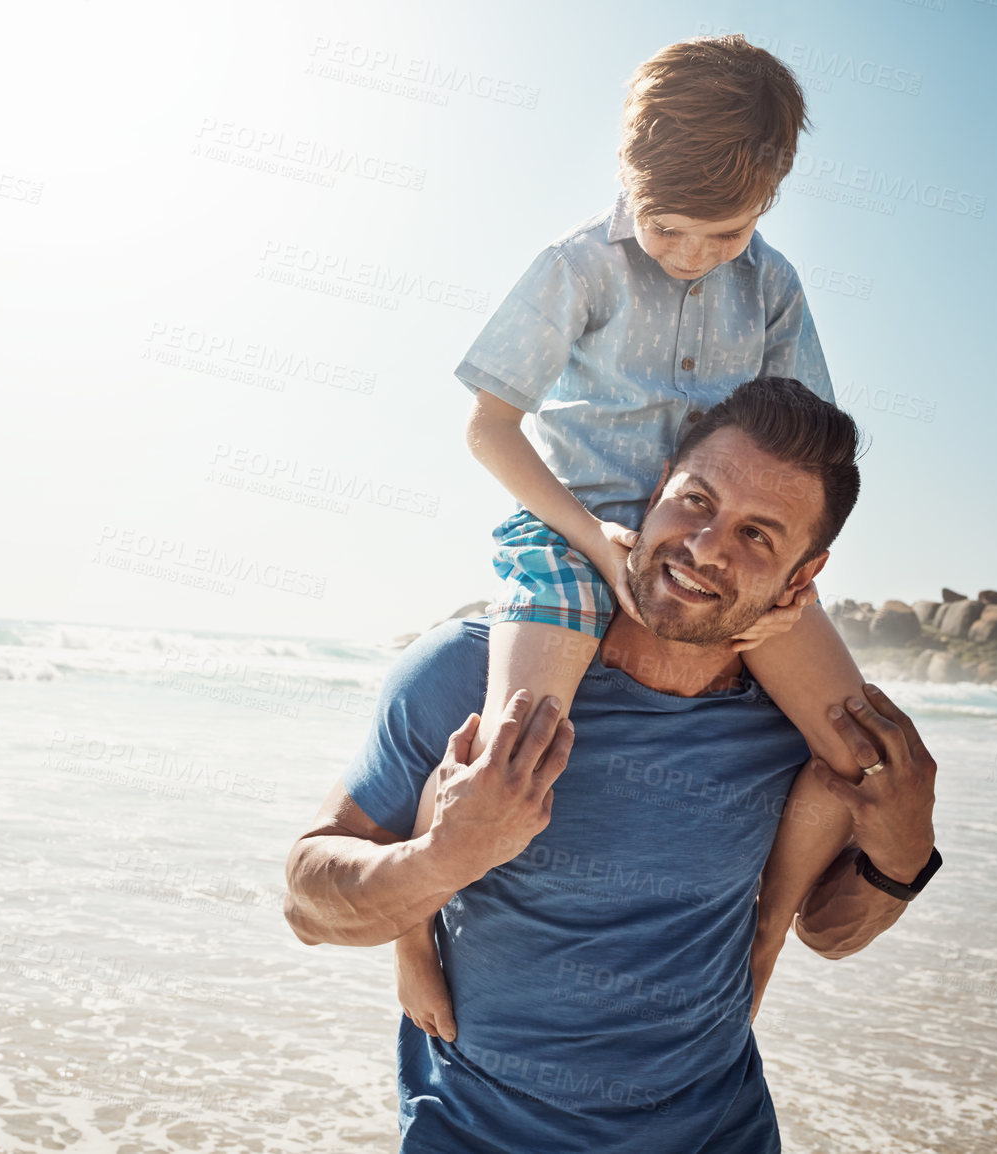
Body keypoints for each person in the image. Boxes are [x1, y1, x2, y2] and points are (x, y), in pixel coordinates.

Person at [284, 378, 941, 1152]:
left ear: (803, 577)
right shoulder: (473, 677)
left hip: (718, 1131)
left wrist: (904, 850)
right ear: (659, 488)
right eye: (697, 501)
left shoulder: (799, 731)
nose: (705, 548)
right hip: (477, 1131)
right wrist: (442, 860)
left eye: (759, 536)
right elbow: (306, 907)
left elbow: (829, 934)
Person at [393, 34, 889, 1039]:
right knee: (503, 754)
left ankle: (761, 939)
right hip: (576, 531)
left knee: (854, 747)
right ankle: (411, 929)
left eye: (725, 232)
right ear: (626, 170)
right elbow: (489, 426)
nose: (694, 254)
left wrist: (785, 570)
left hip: (725, 551)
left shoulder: (775, 285)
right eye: (669, 228)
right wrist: (590, 537)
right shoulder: (575, 268)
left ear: (772, 194)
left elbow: (814, 446)